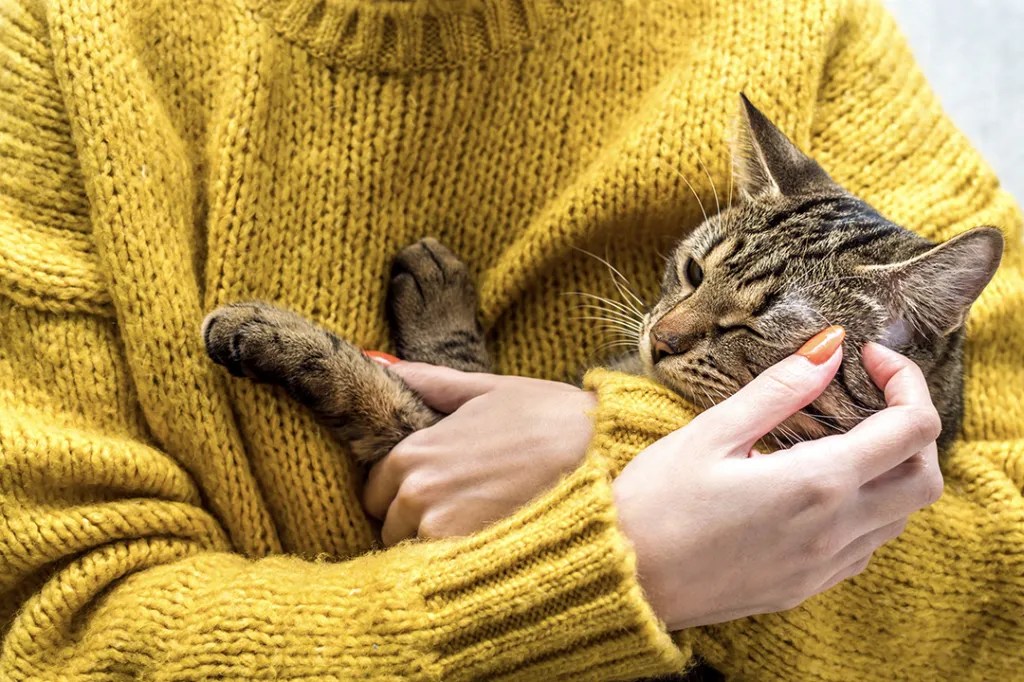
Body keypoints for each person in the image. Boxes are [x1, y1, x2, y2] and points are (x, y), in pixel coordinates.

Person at [0, 0, 1020, 679]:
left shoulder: (799, 25)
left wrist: (604, 457)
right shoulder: (60, 37)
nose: (665, 333)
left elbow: (1003, 576)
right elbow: (56, 637)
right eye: (690, 281)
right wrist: (609, 551)